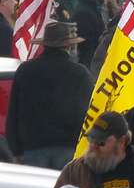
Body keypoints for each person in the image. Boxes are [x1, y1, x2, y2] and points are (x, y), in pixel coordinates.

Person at [5, 21, 92, 169]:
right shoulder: (80, 73)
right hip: (68, 146)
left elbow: (14, 112)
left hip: (33, 147)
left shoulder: (25, 71)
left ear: (44, 45)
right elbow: (87, 112)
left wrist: (16, 150)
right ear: (68, 46)